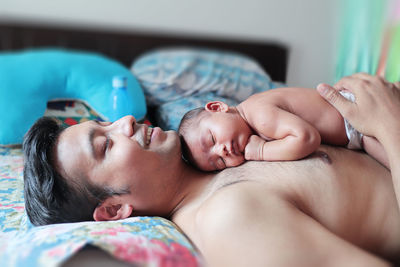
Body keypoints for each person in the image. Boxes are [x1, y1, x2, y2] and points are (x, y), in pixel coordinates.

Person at [23, 73, 400, 266]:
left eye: (105, 124)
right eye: (106, 145)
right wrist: (388, 125)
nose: (124, 121)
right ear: (113, 210)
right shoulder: (228, 220)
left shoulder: (221, 149)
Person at [178, 85, 388, 171]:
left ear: (218, 107)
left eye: (213, 140)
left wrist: (261, 151)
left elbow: (307, 138)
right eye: (220, 163)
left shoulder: (260, 116)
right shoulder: (252, 116)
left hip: (356, 117)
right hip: (356, 131)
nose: (221, 151)